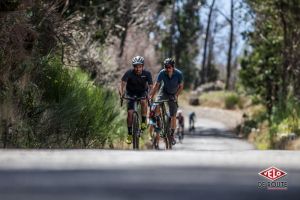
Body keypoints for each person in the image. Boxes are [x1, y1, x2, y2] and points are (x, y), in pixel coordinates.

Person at [149, 58, 184, 145]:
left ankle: (172, 135)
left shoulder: (179, 74)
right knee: (156, 104)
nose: (167, 69)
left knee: (173, 115)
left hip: (174, 93)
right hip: (164, 91)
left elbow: (181, 87)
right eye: (166, 67)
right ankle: (158, 120)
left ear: (173, 67)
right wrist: (151, 96)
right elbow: (156, 85)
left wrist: (176, 96)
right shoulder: (162, 73)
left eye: (169, 67)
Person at [119, 56, 153, 144]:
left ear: (142, 66)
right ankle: (130, 134)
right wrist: (121, 93)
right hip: (131, 93)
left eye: (139, 66)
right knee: (130, 113)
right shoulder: (129, 73)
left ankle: (143, 121)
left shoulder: (147, 74)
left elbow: (150, 86)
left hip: (142, 92)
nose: (137, 68)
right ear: (133, 66)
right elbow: (122, 83)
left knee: (143, 101)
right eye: (136, 66)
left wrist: (149, 95)